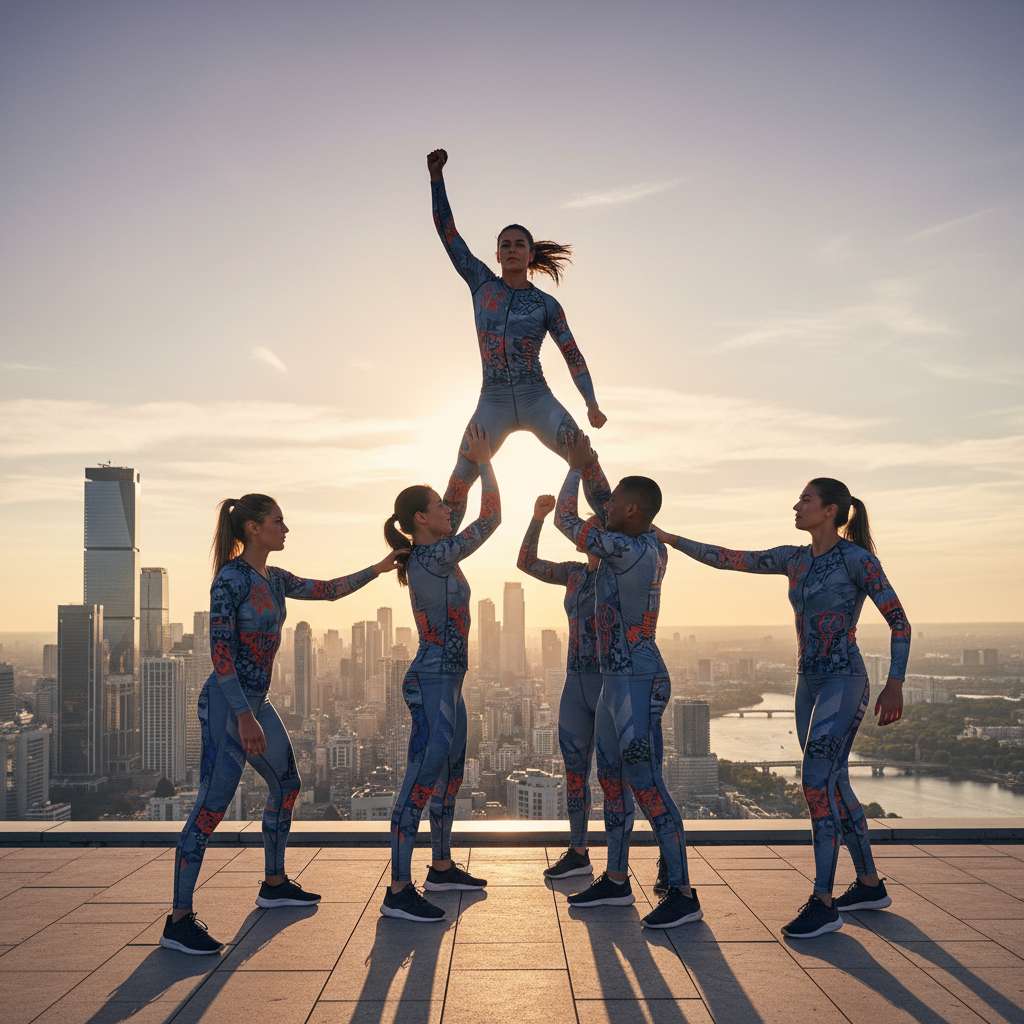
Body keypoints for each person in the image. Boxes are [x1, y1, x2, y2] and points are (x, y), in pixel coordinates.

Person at [656, 477, 911, 940]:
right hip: (807, 683)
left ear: (831, 510)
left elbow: (900, 622)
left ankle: (823, 900)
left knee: (815, 783)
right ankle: (870, 884)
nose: (797, 505)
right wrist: (672, 539)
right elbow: (730, 559)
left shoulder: (857, 561)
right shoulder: (794, 559)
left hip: (843, 680)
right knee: (834, 783)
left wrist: (895, 683)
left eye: (806, 500)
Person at [161, 495, 404, 955]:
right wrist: (242, 715)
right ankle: (177, 919)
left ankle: (274, 883)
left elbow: (328, 590)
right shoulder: (230, 580)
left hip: (257, 702)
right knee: (211, 808)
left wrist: (379, 568)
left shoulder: (274, 579)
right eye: (277, 521)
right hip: (228, 707)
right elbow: (220, 652)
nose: (286, 528)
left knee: (287, 785)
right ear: (252, 529)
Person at [554, 436, 701, 929]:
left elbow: (567, 520)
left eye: (614, 502)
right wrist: (590, 460)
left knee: (647, 784)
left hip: (637, 680)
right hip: (616, 681)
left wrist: (574, 469)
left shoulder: (626, 548)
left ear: (632, 509)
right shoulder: (643, 543)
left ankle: (682, 891)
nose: (606, 507)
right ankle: (617, 880)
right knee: (611, 781)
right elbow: (602, 505)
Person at [427, 147, 608, 529]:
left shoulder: (546, 304)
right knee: (461, 476)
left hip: (535, 397)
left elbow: (573, 355)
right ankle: (438, 550)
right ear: (496, 254)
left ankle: (618, 534)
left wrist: (591, 403)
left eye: (519, 244)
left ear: (529, 255)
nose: (511, 249)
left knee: (586, 458)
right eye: (505, 244)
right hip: (491, 400)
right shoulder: (481, 285)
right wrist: (436, 179)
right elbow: (449, 235)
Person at [381, 425, 501, 922]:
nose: (449, 511)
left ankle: (443, 866)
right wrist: (485, 460)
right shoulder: (433, 555)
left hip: (451, 683)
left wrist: (467, 459)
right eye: (440, 507)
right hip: (432, 681)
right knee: (421, 781)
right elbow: (490, 519)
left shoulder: (436, 551)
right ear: (419, 520)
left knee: (451, 776)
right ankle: (399, 889)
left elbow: (460, 502)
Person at [517, 456, 613, 880]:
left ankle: (619, 868)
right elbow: (527, 562)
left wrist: (578, 466)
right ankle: (578, 850)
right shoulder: (575, 575)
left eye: (591, 527)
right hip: (575, 682)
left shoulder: (622, 571)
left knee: (612, 775)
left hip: (611, 682)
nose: (583, 533)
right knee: (575, 771)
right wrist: (537, 518)